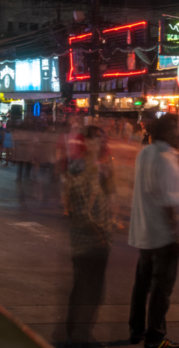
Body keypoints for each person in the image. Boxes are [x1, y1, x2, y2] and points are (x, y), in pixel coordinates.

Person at [128, 113, 179, 348]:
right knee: (161, 289)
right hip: (163, 236)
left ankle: (136, 329)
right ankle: (155, 338)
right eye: (178, 129)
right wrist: (178, 235)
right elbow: (170, 202)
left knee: (142, 285)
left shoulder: (145, 153)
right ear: (168, 132)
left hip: (144, 232)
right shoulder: (166, 159)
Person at [62, 126, 113, 345]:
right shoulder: (83, 168)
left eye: (102, 140)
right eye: (97, 140)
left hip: (89, 239)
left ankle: (77, 333)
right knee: (89, 291)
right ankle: (80, 336)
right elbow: (81, 211)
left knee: (85, 289)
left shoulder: (91, 167)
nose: (101, 144)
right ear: (87, 142)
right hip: (90, 241)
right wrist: (100, 236)